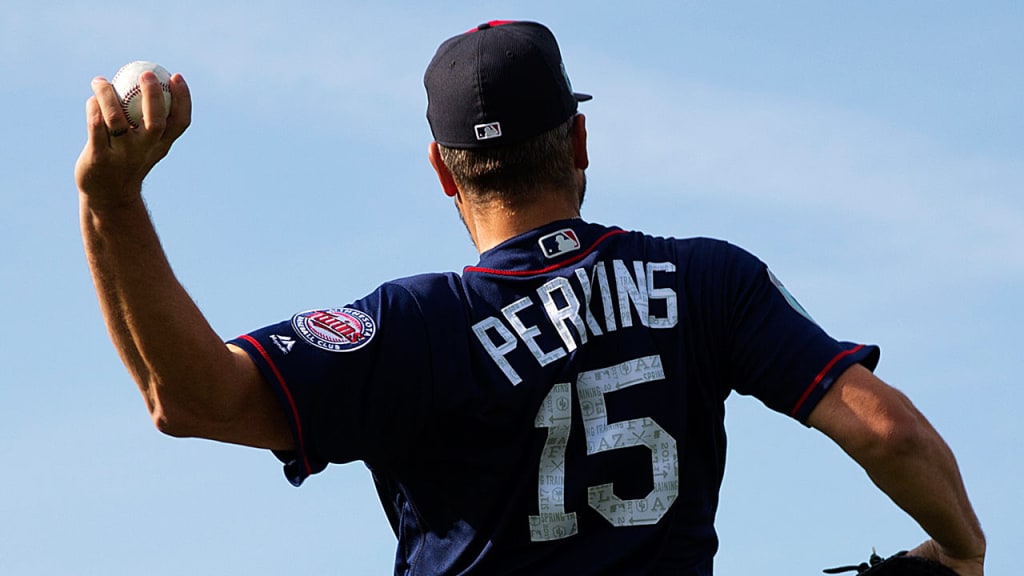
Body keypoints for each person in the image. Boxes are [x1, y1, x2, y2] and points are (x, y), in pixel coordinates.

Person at [75, 20, 985, 576]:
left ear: (442, 172)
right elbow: (889, 431)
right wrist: (960, 550)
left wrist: (111, 201)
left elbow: (186, 399)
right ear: (579, 139)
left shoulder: (414, 327)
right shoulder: (709, 279)